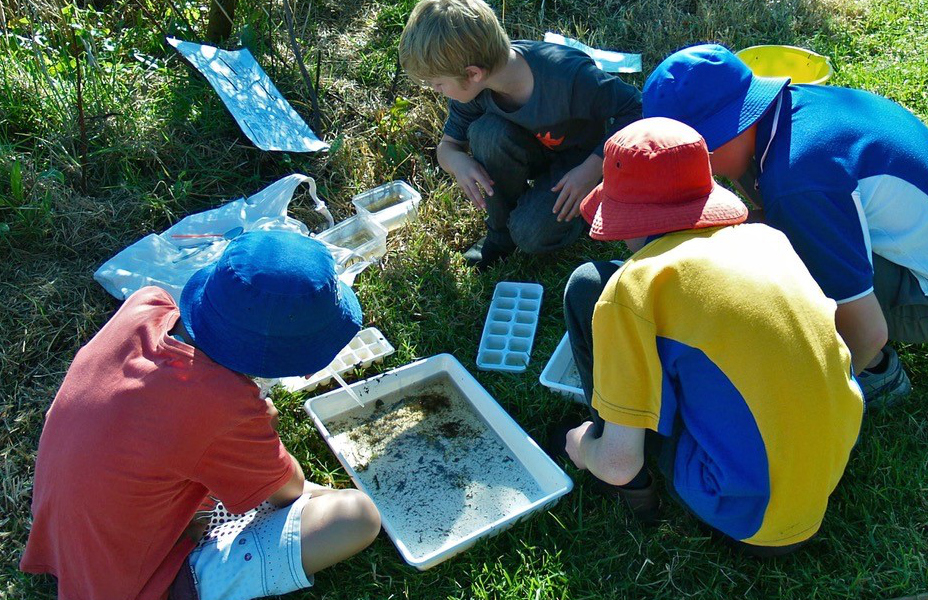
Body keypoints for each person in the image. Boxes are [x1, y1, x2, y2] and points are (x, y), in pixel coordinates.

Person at [20, 231, 382, 600]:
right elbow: (288, 492)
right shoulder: (225, 411)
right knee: (356, 516)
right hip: (124, 585)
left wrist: (254, 421)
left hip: (66, 537)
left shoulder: (146, 306)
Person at [560, 117, 864, 555]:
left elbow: (617, 465)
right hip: (825, 470)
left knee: (588, 284)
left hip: (743, 512)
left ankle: (630, 473)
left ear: (628, 219)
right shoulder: (769, 240)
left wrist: (584, 444)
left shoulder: (635, 286)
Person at [641, 43, 928, 404]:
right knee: (761, 243)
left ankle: (875, 375)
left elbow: (869, 331)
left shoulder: (797, 180)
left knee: (770, 285)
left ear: (728, 130)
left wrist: (808, 404)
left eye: (695, 153)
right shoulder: (785, 113)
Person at [398, 0, 642, 270]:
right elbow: (448, 147)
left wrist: (592, 170)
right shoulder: (474, 91)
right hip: (539, 152)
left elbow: (636, 107)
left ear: (473, 73)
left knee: (530, 235)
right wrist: (457, 161)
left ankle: (592, 203)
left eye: (438, 83)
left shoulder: (567, 77)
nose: (436, 90)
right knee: (487, 133)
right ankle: (501, 236)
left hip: (584, 161)